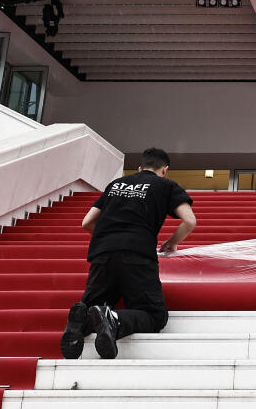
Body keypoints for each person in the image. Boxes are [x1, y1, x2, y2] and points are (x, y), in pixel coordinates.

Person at [60, 147, 197, 360]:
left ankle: (80, 322)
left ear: (140, 168)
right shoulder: (166, 185)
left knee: (93, 306)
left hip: (102, 254)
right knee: (155, 315)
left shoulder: (116, 185)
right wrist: (171, 243)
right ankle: (114, 319)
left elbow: (86, 222)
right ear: (165, 170)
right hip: (137, 254)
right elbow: (189, 220)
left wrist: (108, 239)